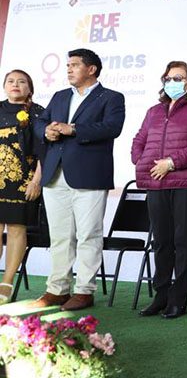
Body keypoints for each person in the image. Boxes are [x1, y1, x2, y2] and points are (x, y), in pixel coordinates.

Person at [31, 49, 125, 311]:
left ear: (91, 69)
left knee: (88, 235)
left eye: (74, 65)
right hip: (54, 174)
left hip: (90, 175)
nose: (69, 69)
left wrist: (73, 129)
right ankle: (57, 289)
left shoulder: (112, 97)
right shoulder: (60, 96)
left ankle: (84, 291)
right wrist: (46, 131)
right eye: (68, 65)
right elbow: (40, 122)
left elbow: (112, 128)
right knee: (60, 236)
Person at [132, 61, 187, 319]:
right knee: (161, 242)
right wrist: (141, 161)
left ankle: (178, 300)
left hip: (186, 183)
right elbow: (139, 140)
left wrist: (171, 163)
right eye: (168, 78)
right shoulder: (153, 111)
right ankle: (161, 296)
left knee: (183, 242)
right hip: (156, 183)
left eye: (178, 78)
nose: (172, 82)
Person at [0, 70, 45, 303]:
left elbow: (45, 152)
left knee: (16, 229)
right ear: (4, 86)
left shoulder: (38, 112)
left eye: (21, 81)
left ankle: (6, 284)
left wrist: (37, 181)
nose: (15, 84)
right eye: (10, 81)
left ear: (30, 88)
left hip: (23, 181)